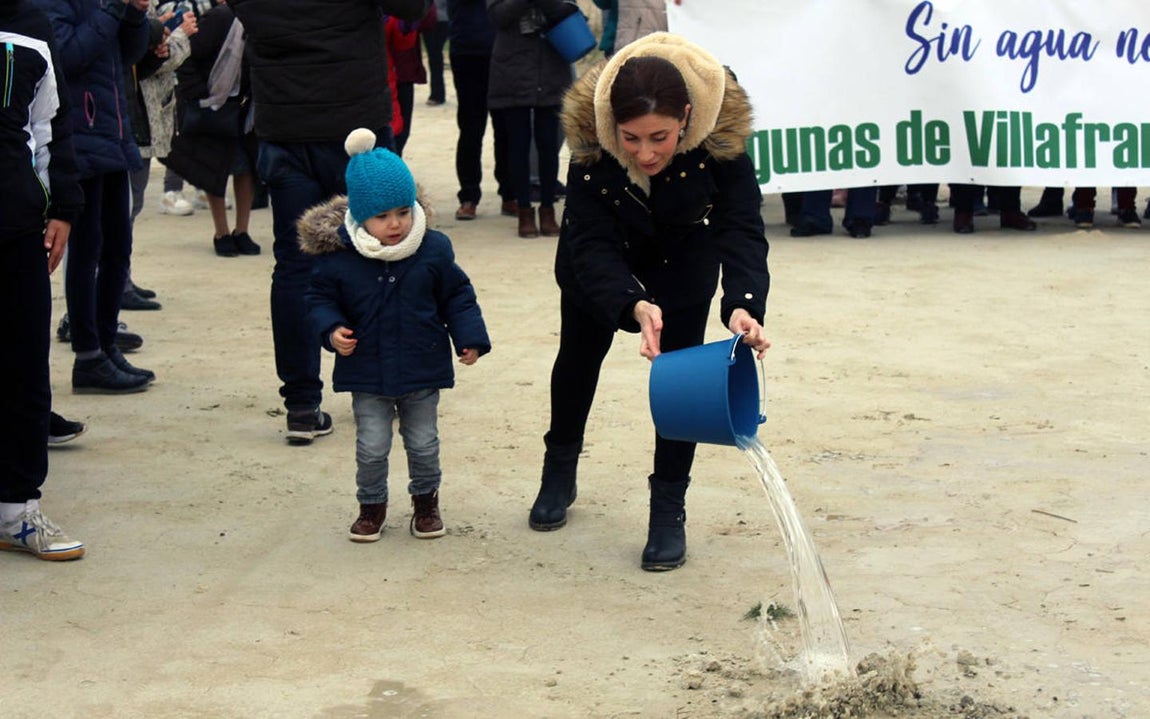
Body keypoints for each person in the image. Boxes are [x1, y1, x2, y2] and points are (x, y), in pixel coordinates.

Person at [529, 33, 771, 571]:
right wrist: (631, 303)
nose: (645, 153)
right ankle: (559, 466)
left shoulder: (720, 141)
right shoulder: (591, 147)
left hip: (682, 261)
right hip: (600, 263)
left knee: (681, 383)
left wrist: (743, 303)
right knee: (577, 360)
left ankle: (668, 511)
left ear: (687, 115)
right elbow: (588, 241)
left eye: (659, 136)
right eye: (631, 138)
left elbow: (741, 227)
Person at [228, 0, 428, 445]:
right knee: (382, 252)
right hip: (354, 120)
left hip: (286, 121)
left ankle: (301, 403)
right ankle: (385, 383)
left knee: (296, 264)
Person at [299, 129, 491, 542]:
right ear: (362, 217)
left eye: (403, 212)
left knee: (423, 443)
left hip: (422, 367)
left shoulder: (433, 249)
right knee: (371, 445)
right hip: (367, 371)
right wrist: (331, 330)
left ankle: (426, 504)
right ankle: (371, 507)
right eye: (383, 216)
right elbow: (318, 300)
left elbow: (457, 295)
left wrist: (469, 337)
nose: (396, 224)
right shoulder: (339, 260)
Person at [0, 0, 87, 560]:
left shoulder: (29, 25)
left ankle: (17, 511)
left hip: (15, 226)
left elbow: (50, 127)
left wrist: (62, 205)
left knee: (23, 366)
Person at [37, 0, 156, 394]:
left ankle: (106, 345)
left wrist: (135, 14)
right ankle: (88, 355)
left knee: (117, 248)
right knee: (87, 252)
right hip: (78, 136)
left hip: (111, 132)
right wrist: (113, 11)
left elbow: (132, 53)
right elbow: (67, 56)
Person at [167, 2, 259, 257]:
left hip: (244, 107)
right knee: (213, 170)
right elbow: (186, 57)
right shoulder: (220, 18)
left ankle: (242, 230)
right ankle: (222, 232)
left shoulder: (259, 17)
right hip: (214, 106)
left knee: (246, 170)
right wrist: (200, 94)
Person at [487, 0, 574, 238]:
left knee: (548, 145)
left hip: (551, 68)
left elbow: (568, 10)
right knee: (518, 144)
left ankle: (548, 209)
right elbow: (497, 15)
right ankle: (524, 210)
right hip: (512, 70)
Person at [447, 0, 512, 221]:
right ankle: (469, 195)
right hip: (467, 50)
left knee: (505, 127)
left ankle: (509, 193)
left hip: (503, 50)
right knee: (471, 128)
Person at [385, 6, 438, 156]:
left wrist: (410, 21)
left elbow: (429, 21)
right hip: (377, 76)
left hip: (403, 71)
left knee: (400, 133)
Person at [421, 0, 448, 106]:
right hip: (437, 19)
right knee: (435, 56)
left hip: (435, 19)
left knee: (434, 57)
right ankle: (437, 93)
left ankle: (437, 94)